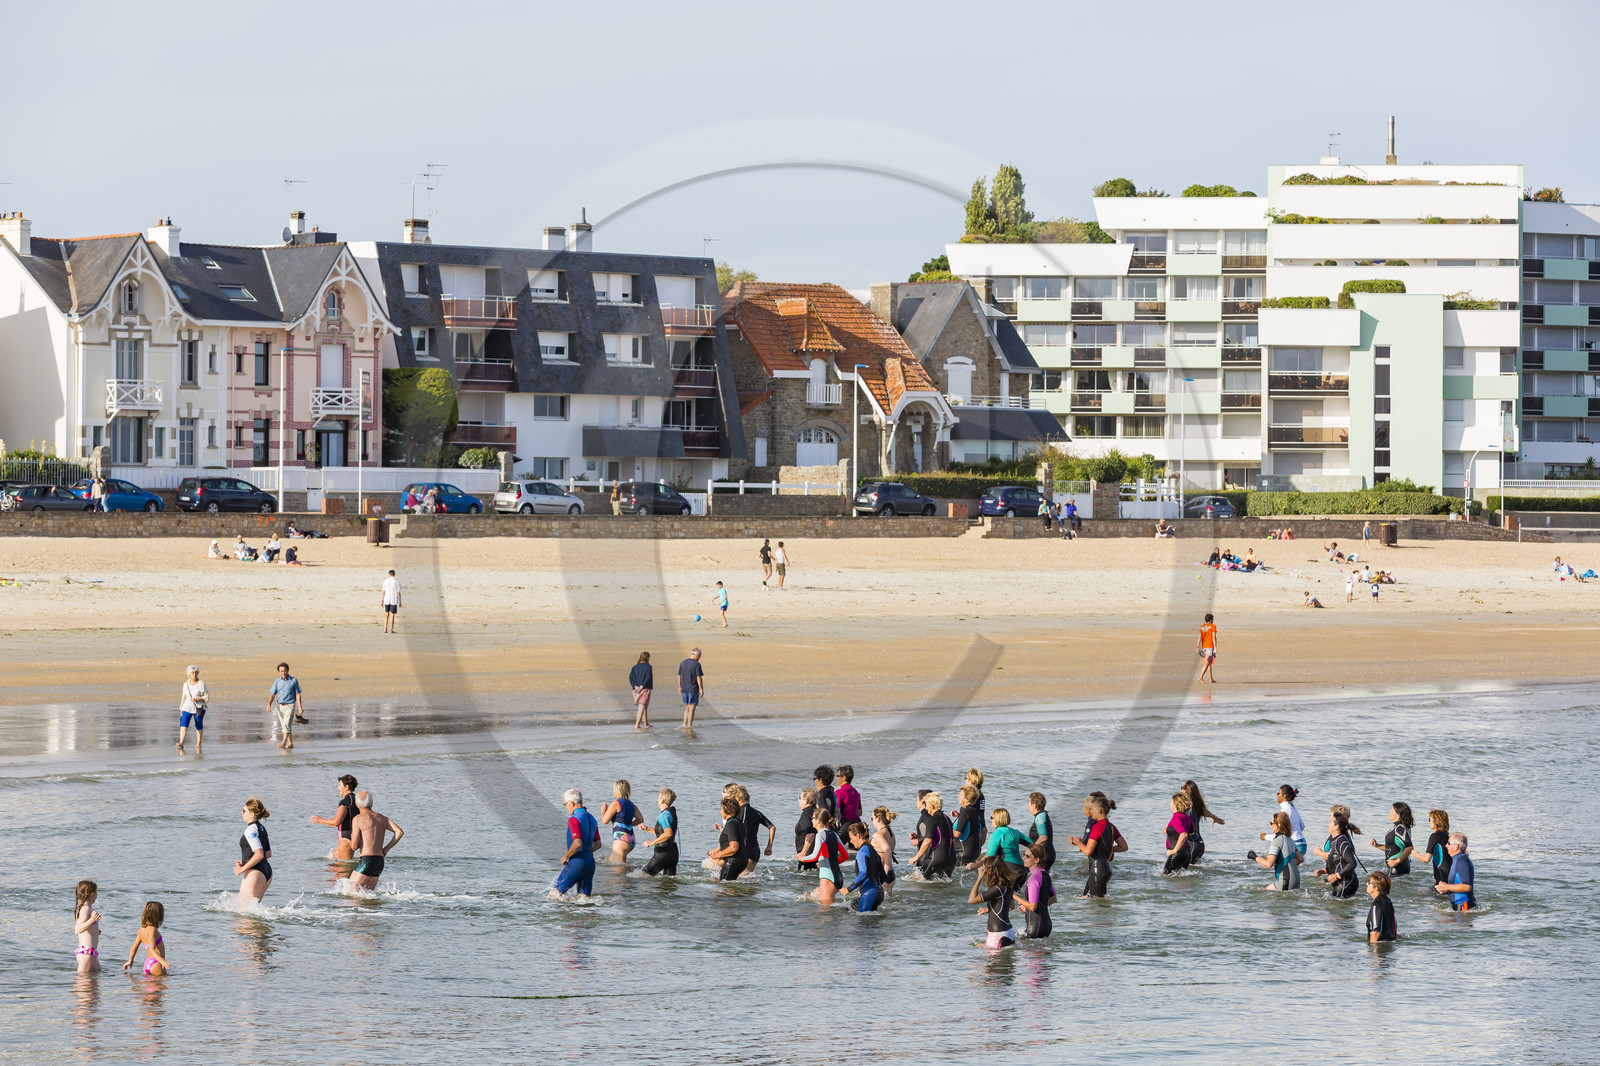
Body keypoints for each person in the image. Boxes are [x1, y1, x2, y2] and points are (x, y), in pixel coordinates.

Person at [1068, 794, 1126, 897]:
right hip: (1107, 869)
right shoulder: (1112, 827)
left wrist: (1078, 842)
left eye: (1092, 809)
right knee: (1096, 901)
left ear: (1099, 810)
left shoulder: (1097, 827)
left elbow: (1088, 851)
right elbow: (1123, 847)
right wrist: (1107, 848)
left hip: (1097, 870)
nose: (1090, 811)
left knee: (1092, 904)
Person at [349, 790, 403, 891]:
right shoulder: (383, 818)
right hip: (379, 861)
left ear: (356, 804)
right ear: (372, 803)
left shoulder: (358, 819)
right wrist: (386, 849)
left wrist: (352, 836)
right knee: (368, 895)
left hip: (367, 861)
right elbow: (399, 832)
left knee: (351, 892)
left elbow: (353, 846)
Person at [552, 789, 601, 898]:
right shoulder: (592, 819)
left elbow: (577, 843)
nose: (565, 807)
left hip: (577, 862)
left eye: (565, 804)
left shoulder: (573, 819)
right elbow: (598, 844)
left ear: (572, 803)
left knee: (555, 895)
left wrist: (566, 856)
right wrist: (587, 853)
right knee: (583, 900)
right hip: (590, 863)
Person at [968, 854, 1020, 948]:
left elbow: (972, 900)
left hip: (997, 935)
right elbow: (1011, 906)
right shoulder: (1007, 886)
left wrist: (979, 878)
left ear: (991, 871)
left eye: (985, 869)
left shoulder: (997, 889)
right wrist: (988, 909)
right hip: (1008, 932)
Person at [797, 809, 848, 904]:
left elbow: (814, 856)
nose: (811, 820)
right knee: (819, 906)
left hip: (828, 878)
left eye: (813, 818)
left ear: (819, 820)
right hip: (838, 876)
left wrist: (802, 858)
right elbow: (845, 855)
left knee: (825, 913)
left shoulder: (820, 834)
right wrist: (828, 862)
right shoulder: (834, 834)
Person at [309, 773, 359, 860]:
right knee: (333, 857)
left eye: (340, 785)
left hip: (347, 838)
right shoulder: (358, 799)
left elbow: (336, 822)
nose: (338, 788)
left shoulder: (345, 802)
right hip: (356, 835)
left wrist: (319, 820)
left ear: (346, 787)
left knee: (343, 868)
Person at [910, 790, 956, 879]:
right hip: (951, 860)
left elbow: (927, 840)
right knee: (942, 883)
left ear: (932, 806)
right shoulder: (947, 818)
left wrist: (916, 857)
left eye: (927, 806)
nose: (926, 809)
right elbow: (952, 839)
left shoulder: (933, 819)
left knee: (918, 879)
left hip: (937, 858)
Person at [1014, 843, 1056, 939]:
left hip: (1035, 928)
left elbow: (1033, 906)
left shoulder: (1034, 878)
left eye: (1027, 856)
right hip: (1047, 926)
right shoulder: (1045, 874)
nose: (1024, 858)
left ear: (1037, 860)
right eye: (1024, 854)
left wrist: (1012, 895)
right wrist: (1027, 906)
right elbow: (1053, 899)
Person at [1251, 811, 1302, 891]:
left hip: (1286, 880)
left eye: (1272, 823)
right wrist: (1285, 867)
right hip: (1296, 879)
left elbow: (1268, 864)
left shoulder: (1277, 840)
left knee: (1262, 894)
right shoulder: (1290, 839)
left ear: (1279, 825)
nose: (1270, 826)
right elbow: (1300, 859)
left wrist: (1254, 856)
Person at [235, 796, 273, 903]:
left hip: (256, 873)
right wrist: (245, 861)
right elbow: (268, 854)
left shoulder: (250, 829)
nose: (241, 813)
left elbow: (259, 854)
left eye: (244, 810)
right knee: (253, 913)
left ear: (252, 814)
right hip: (267, 872)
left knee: (244, 913)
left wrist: (242, 869)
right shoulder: (261, 828)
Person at [1316, 809, 1359, 899]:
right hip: (1341, 883)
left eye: (1330, 822)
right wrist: (1324, 871)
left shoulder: (1342, 841)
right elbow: (1338, 862)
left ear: (1336, 826)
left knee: (1336, 911)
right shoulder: (1335, 840)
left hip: (1346, 883)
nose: (1328, 824)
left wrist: (1337, 875)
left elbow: (1352, 863)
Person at [843, 822, 886, 912]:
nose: (850, 841)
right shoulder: (873, 851)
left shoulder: (862, 852)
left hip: (869, 893)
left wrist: (849, 889)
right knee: (850, 907)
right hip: (879, 893)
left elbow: (863, 873)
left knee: (862, 923)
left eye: (851, 838)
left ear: (857, 835)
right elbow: (883, 876)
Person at [600, 779, 644, 864]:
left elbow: (605, 821)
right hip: (631, 839)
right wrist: (628, 824)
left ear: (617, 791)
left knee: (618, 874)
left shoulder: (616, 803)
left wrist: (603, 811)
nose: (613, 791)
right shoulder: (632, 805)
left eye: (614, 789)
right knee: (609, 861)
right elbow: (640, 819)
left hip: (621, 839)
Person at [735, 784, 775, 875]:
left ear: (737, 799)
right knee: (747, 879)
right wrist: (769, 846)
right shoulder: (757, 813)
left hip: (744, 851)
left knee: (740, 880)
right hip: (755, 851)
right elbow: (772, 827)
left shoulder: (740, 813)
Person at [122, 901, 170, 976]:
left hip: (147, 963)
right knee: (162, 986)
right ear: (158, 916)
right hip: (156, 963)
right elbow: (152, 949)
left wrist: (130, 960)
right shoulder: (153, 930)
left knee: (148, 987)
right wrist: (162, 961)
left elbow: (134, 947)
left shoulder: (142, 930)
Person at [639, 788, 680, 876]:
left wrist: (651, 843)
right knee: (668, 884)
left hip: (663, 853)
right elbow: (662, 834)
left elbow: (668, 833)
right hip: (673, 853)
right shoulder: (671, 812)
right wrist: (647, 828)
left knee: (643, 875)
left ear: (661, 800)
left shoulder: (663, 815)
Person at [1261, 785, 1308, 859]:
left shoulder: (1284, 811)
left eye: (1278, 793)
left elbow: (1281, 836)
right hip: (1302, 844)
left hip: (1295, 845)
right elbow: (1302, 826)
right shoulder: (1292, 807)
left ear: (1284, 796)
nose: (1276, 795)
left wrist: (1265, 837)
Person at [1369, 801, 1415, 876]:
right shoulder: (1399, 828)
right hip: (1398, 866)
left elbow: (1410, 848)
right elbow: (1392, 848)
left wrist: (1396, 861)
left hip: (1398, 867)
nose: (1389, 812)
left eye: (1392, 810)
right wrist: (1377, 845)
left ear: (1398, 815)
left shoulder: (1400, 828)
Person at [1181, 780, 1222, 862]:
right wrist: (1214, 817)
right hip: (1199, 844)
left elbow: (1182, 828)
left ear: (1187, 793)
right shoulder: (1197, 805)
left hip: (1191, 844)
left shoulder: (1187, 808)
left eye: (1183, 789)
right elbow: (1205, 812)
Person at [983, 807, 1029, 882]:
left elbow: (990, 856)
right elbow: (1033, 845)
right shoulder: (1016, 832)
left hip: (1009, 870)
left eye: (992, 817)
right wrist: (1027, 855)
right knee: (1015, 893)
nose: (991, 820)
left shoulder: (996, 834)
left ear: (997, 819)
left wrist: (974, 866)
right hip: (1023, 870)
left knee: (1004, 893)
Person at [266, 662, 304, 750]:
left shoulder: (294, 680)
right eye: (281, 671)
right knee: (285, 726)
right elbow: (272, 694)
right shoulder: (277, 681)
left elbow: (298, 694)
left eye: (285, 671)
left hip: (290, 705)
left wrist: (300, 707)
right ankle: (290, 743)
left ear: (288, 670)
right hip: (280, 706)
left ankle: (283, 743)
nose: (283, 673)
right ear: (279, 672)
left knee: (286, 724)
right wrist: (269, 705)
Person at [709, 796, 746, 882]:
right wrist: (717, 851)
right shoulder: (738, 821)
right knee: (729, 886)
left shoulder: (731, 823)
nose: (720, 812)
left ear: (728, 810)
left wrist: (719, 855)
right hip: (741, 860)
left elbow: (734, 847)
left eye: (722, 809)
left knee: (723, 888)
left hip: (733, 861)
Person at [1435, 833, 1475, 911]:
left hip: (1464, 907)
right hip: (1460, 906)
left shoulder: (1462, 861)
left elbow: (1466, 887)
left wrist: (1446, 886)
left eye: (1449, 843)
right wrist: (1445, 889)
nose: (1446, 845)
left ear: (1456, 846)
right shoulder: (1458, 859)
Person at [176, 665, 208, 754]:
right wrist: (181, 708)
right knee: (184, 724)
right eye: (192, 673)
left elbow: (206, 697)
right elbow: (183, 697)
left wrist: (198, 699)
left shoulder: (201, 684)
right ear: (189, 674)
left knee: (198, 725)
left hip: (198, 707)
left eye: (196, 672)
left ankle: (198, 743)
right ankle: (181, 742)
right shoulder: (186, 684)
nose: (194, 674)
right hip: (187, 707)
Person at [1163, 792, 1196, 875]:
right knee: (1180, 880)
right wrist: (1168, 828)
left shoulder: (1176, 817)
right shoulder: (1187, 817)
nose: (1170, 804)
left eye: (1171, 802)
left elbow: (1184, 834)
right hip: (1187, 853)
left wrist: (1174, 850)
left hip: (1177, 854)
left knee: (1166, 878)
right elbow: (1191, 832)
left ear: (1175, 805)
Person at [74, 880, 101, 973]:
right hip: (86, 952)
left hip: (92, 952)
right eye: (96, 892)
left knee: (95, 981)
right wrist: (91, 921)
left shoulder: (89, 908)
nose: (97, 895)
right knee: (83, 982)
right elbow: (77, 930)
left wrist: (95, 929)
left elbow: (85, 927)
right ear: (91, 893)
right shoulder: (85, 909)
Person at [870, 806, 898, 899]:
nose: (872, 821)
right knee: (887, 905)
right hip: (891, 873)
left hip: (883, 874)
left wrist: (884, 875)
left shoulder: (878, 835)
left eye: (872, 818)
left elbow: (888, 850)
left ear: (878, 819)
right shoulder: (890, 832)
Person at [955, 784, 984, 869]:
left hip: (963, 852)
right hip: (974, 851)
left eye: (960, 794)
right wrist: (958, 816)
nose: (958, 796)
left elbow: (957, 834)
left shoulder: (965, 812)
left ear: (966, 797)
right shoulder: (974, 811)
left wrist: (943, 830)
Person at [1420, 809, 1452, 885]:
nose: (1429, 822)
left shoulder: (1434, 836)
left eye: (1430, 819)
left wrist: (1416, 855)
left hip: (1442, 878)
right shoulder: (1450, 835)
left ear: (1436, 821)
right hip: (1451, 876)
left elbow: (1426, 859)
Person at [1025, 792, 1056, 870]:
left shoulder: (1040, 818)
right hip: (1049, 853)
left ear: (1034, 806)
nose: (1028, 806)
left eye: (1029, 804)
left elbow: (1043, 837)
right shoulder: (1044, 815)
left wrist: (1031, 850)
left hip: (1044, 855)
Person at [1366, 872, 1398, 943]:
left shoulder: (1376, 905)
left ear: (1376, 888)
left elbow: (1376, 931)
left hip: (1380, 947)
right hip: (1391, 944)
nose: (1366, 884)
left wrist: (1373, 951)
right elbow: (1394, 927)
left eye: (1369, 883)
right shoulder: (1388, 901)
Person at [677, 648, 704, 728]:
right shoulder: (696, 664)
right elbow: (698, 677)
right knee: (692, 707)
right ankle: (689, 725)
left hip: (684, 688)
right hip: (693, 688)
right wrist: (701, 689)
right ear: (697, 655)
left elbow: (679, 676)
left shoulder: (683, 662)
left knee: (687, 706)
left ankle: (684, 723)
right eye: (700, 656)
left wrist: (679, 687)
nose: (699, 658)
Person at [794, 788, 818, 870]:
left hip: (808, 855)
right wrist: (799, 842)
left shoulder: (806, 814)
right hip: (815, 854)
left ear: (806, 801)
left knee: (804, 881)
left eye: (799, 798)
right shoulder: (816, 811)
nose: (798, 800)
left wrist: (803, 853)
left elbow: (811, 833)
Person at [629, 652, 653, 730]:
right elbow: (648, 677)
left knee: (643, 706)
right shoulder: (648, 667)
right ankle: (637, 725)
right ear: (647, 658)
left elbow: (631, 678)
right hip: (645, 689)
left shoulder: (634, 667)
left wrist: (635, 686)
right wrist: (642, 686)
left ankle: (646, 724)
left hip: (635, 690)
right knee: (642, 706)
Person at [1197, 613, 1218, 683]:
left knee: (1209, 662)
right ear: (1211, 619)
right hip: (1210, 647)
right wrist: (1215, 648)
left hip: (1204, 647)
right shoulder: (1213, 626)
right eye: (1213, 619)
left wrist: (1197, 647)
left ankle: (1211, 679)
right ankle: (1200, 676)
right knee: (1208, 662)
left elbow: (1199, 637)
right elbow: (1213, 638)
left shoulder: (1201, 627)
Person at [381, 569, 401, 633]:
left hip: (386, 599)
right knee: (392, 615)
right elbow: (398, 593)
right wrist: (400, 602)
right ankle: (391, 630)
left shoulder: (385, 581)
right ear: (394, 574)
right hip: (393, 599)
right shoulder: (397, 582)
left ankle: (385, 628)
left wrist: (382, 601)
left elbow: (383, 592)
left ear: (389, 574)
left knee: (387, 614)